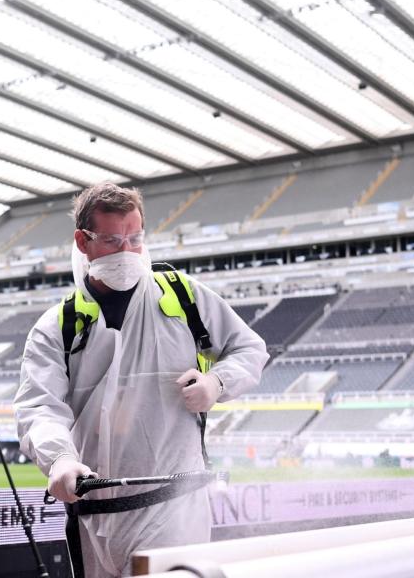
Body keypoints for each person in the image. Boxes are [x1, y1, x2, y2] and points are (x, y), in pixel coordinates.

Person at [14, 183, 268, 578]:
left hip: (175, 506)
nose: (128, 251)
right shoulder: (57, 327)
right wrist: (60, 458)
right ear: (83, 241)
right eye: (113, 240)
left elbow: (249, 349)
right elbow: (39, 406)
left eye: (135, 238)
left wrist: (216, 383)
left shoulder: (184, 297)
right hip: (95, 517)